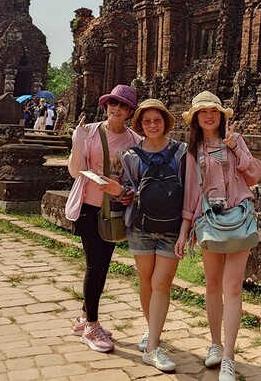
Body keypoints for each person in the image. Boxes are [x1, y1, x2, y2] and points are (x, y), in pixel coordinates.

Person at [174, 91, 261, 381]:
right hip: (209, 220)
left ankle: (228, 357)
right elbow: (189, 192)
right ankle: (214, 343)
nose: (209, 116)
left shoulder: (234, 141)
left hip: (238, 217)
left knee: (233, 287)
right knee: (212, 284)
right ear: (196, 119)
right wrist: (184, 230)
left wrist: (237, 149)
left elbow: (254, 175)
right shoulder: (193, 149)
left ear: (221, 116)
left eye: (214, 111)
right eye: (203, 112)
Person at [65, 84, 141, 352]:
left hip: (115, 208)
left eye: (122, 106)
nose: (116, 109)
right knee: (94, 265)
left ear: (130, 112)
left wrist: (124, 190)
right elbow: (75, 171)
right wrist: (78, 143)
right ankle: (92, 326)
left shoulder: (134, 141)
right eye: (113, 103)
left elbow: (135, 179)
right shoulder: (90, 132)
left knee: (104, 264)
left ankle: (83, 318)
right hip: (89, 206)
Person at [120, 99, 187, 372]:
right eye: (146, 122)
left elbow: (190, 189)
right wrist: (124, 193)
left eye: (157, 120)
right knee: (146, 281)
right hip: (141, 227)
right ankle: (153, 332)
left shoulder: (182, 152)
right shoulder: (131, 156)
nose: (152, 125)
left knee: (162, 284)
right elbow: (130, 187)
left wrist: (187, 227)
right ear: (140, 125)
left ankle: (152, 348)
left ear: (166, 122)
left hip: (172, 228)